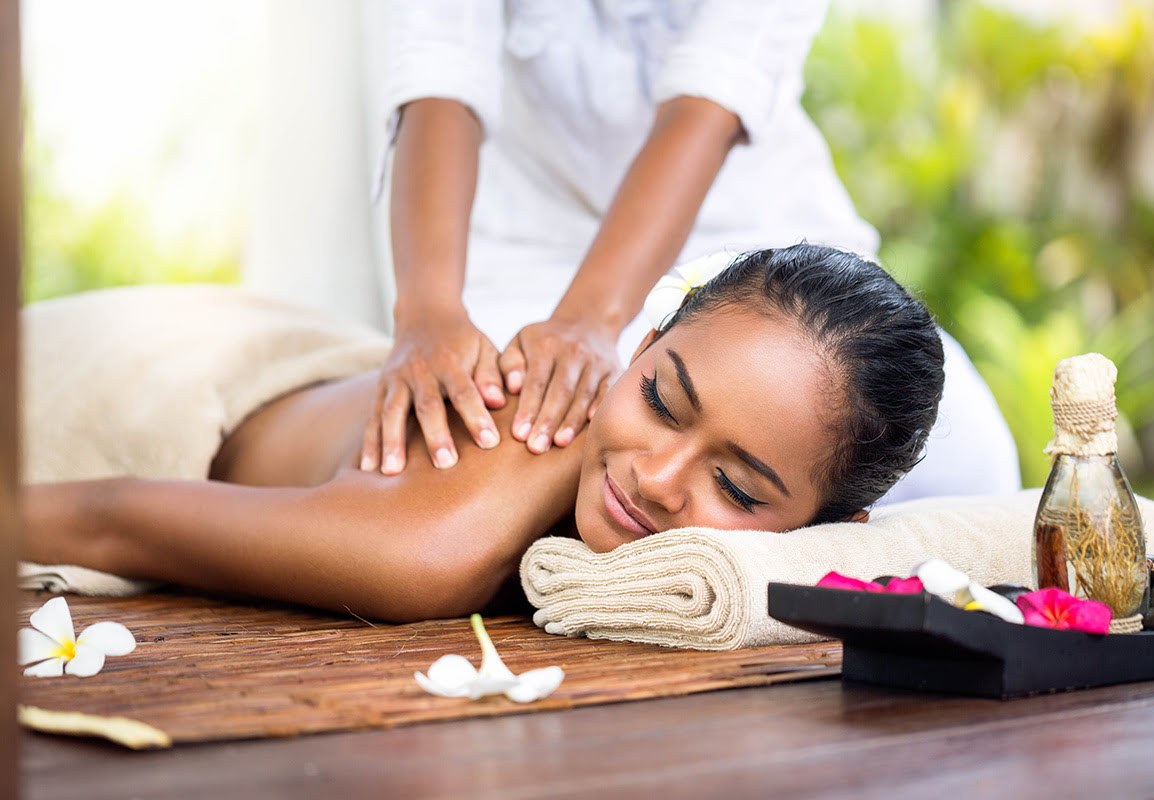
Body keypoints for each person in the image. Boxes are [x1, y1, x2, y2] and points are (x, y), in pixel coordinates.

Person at [21, 244, 943, 623]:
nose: (659, 476)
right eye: (661, 398)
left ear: (825, 531)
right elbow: (110, 516)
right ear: (641, 347)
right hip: (120, 385)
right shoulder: (437, 544)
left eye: (738, 489)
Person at [360, 1, 1022, 507]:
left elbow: (708, 101)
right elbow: (439, 70)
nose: (657, 483)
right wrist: (427, 309)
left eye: (736, 486)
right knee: (498, 452)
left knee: (969, 456)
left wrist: (591, 321)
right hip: (522, 239)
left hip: (754, 242)